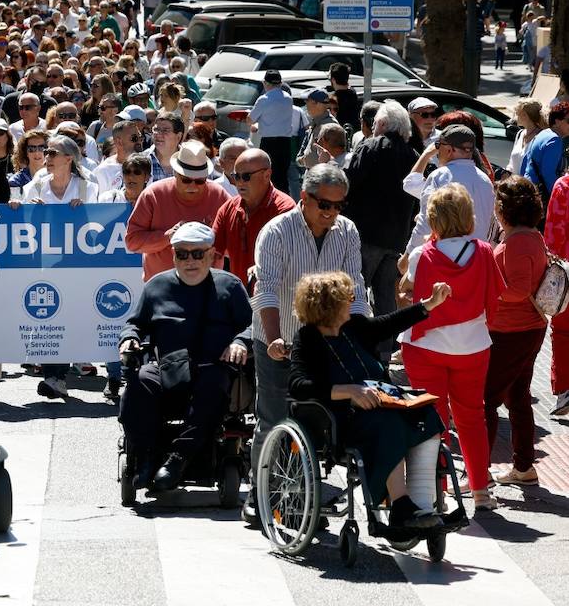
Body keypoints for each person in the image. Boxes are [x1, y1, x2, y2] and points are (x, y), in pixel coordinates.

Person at [287, 272, 451, 530]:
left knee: (428, 416)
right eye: (348, 297)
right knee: (387, 424)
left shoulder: (355, 327)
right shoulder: (307, 339)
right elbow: (298, 385)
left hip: (383, 403)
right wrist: (348, 391)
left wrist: (429, 303)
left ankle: (422, 504)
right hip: (342, 419)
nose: (353, 301)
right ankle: (400, 507)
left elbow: (390, 323)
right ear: (330, 305)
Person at [250, 163, 368, 518]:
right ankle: (260, 499)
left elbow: (356, 290)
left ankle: (302, 492)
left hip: (325, 345)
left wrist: (360, 338)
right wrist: (273, 339)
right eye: (324, 205)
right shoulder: (276, 232)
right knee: (273, 419)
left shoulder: (347, 232)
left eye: (339, 206)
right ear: (304, 198)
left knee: (317, 421)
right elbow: (266, 289)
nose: (331, 213)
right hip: (279, 337)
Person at [117, 222, 253, 491]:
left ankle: (178, 459)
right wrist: (129, 338)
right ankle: (145, 458)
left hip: (212, 366)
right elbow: (134, 323)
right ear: (173, 255)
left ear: (212, 254)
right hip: (169, 366)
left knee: (214, 383)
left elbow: (252, 325)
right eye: (182, 254)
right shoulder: (156, 286)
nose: (190, 261)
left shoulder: (230, 286)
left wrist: (240, 341)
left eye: (197, 253)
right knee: (141, 379)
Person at [396, 184, 503, 511]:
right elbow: (495, 294)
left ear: (434, 218)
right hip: (472, 346)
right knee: (472, 417)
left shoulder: (421, 255)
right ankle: (480, 490)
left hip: (426, 346)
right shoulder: (485, 251)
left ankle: (436, 491)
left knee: (431, 418)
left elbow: (405, 286)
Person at [483, 177, 550, 485]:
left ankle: (478, 471)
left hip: (512, 332)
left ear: (504, 208)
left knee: (486, 400)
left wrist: (487, 291)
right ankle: (523, 467)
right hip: (527, 329)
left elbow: (519, 289)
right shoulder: (531, 236)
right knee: (517, 397)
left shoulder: (518, 241)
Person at [343, 100, 418, 365]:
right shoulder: (412, 155)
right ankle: (384, 354)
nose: (372, 128)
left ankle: (357, 349)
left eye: (375, 124)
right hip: (397, 239)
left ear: (383, 124)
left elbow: (348, 183)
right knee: (386, 297)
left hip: (367, 236)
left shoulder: (369, 147)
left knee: (356, 293)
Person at [125, 141, 230, 279]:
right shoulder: (153, 194)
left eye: (199, 181)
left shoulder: (219, 195)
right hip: (163, 290)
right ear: (175, 173)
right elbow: (132, 241)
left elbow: (235, 243)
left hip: (209, 288)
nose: (193, 186)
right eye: (186, 180)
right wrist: (167, 237)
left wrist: (210, 238)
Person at [402, 125, 495, 260]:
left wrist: (408, 256)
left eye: (438, 145)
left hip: (444, 259)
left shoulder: (440, 176)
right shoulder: (485, 180)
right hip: (477, 259)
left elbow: (425, 223)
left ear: (449, 150)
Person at [210, 148, 294, 285]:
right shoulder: (228, 209)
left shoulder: (285, 210)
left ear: (267, 175)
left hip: (274, 297)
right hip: (239, 297)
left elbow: (288, 261)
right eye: (236, 176)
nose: (240, 182)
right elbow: (213, 254)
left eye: (246, 176)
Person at [249, 70, 295, 191]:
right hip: (285, 143)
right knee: (282, 178)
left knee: (268, 176)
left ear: (265, 83)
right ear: (280, 83)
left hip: (269, 143)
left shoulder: (264, 99)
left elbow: (250, 120)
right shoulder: (288, 98)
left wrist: (259, 122)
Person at [520, 100, 569, 204]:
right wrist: (559, 199)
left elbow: (524, 162)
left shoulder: (542, 134)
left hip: (528, 191)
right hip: (540, 197)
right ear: (557, 121)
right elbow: (548, 173)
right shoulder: (555, 140)